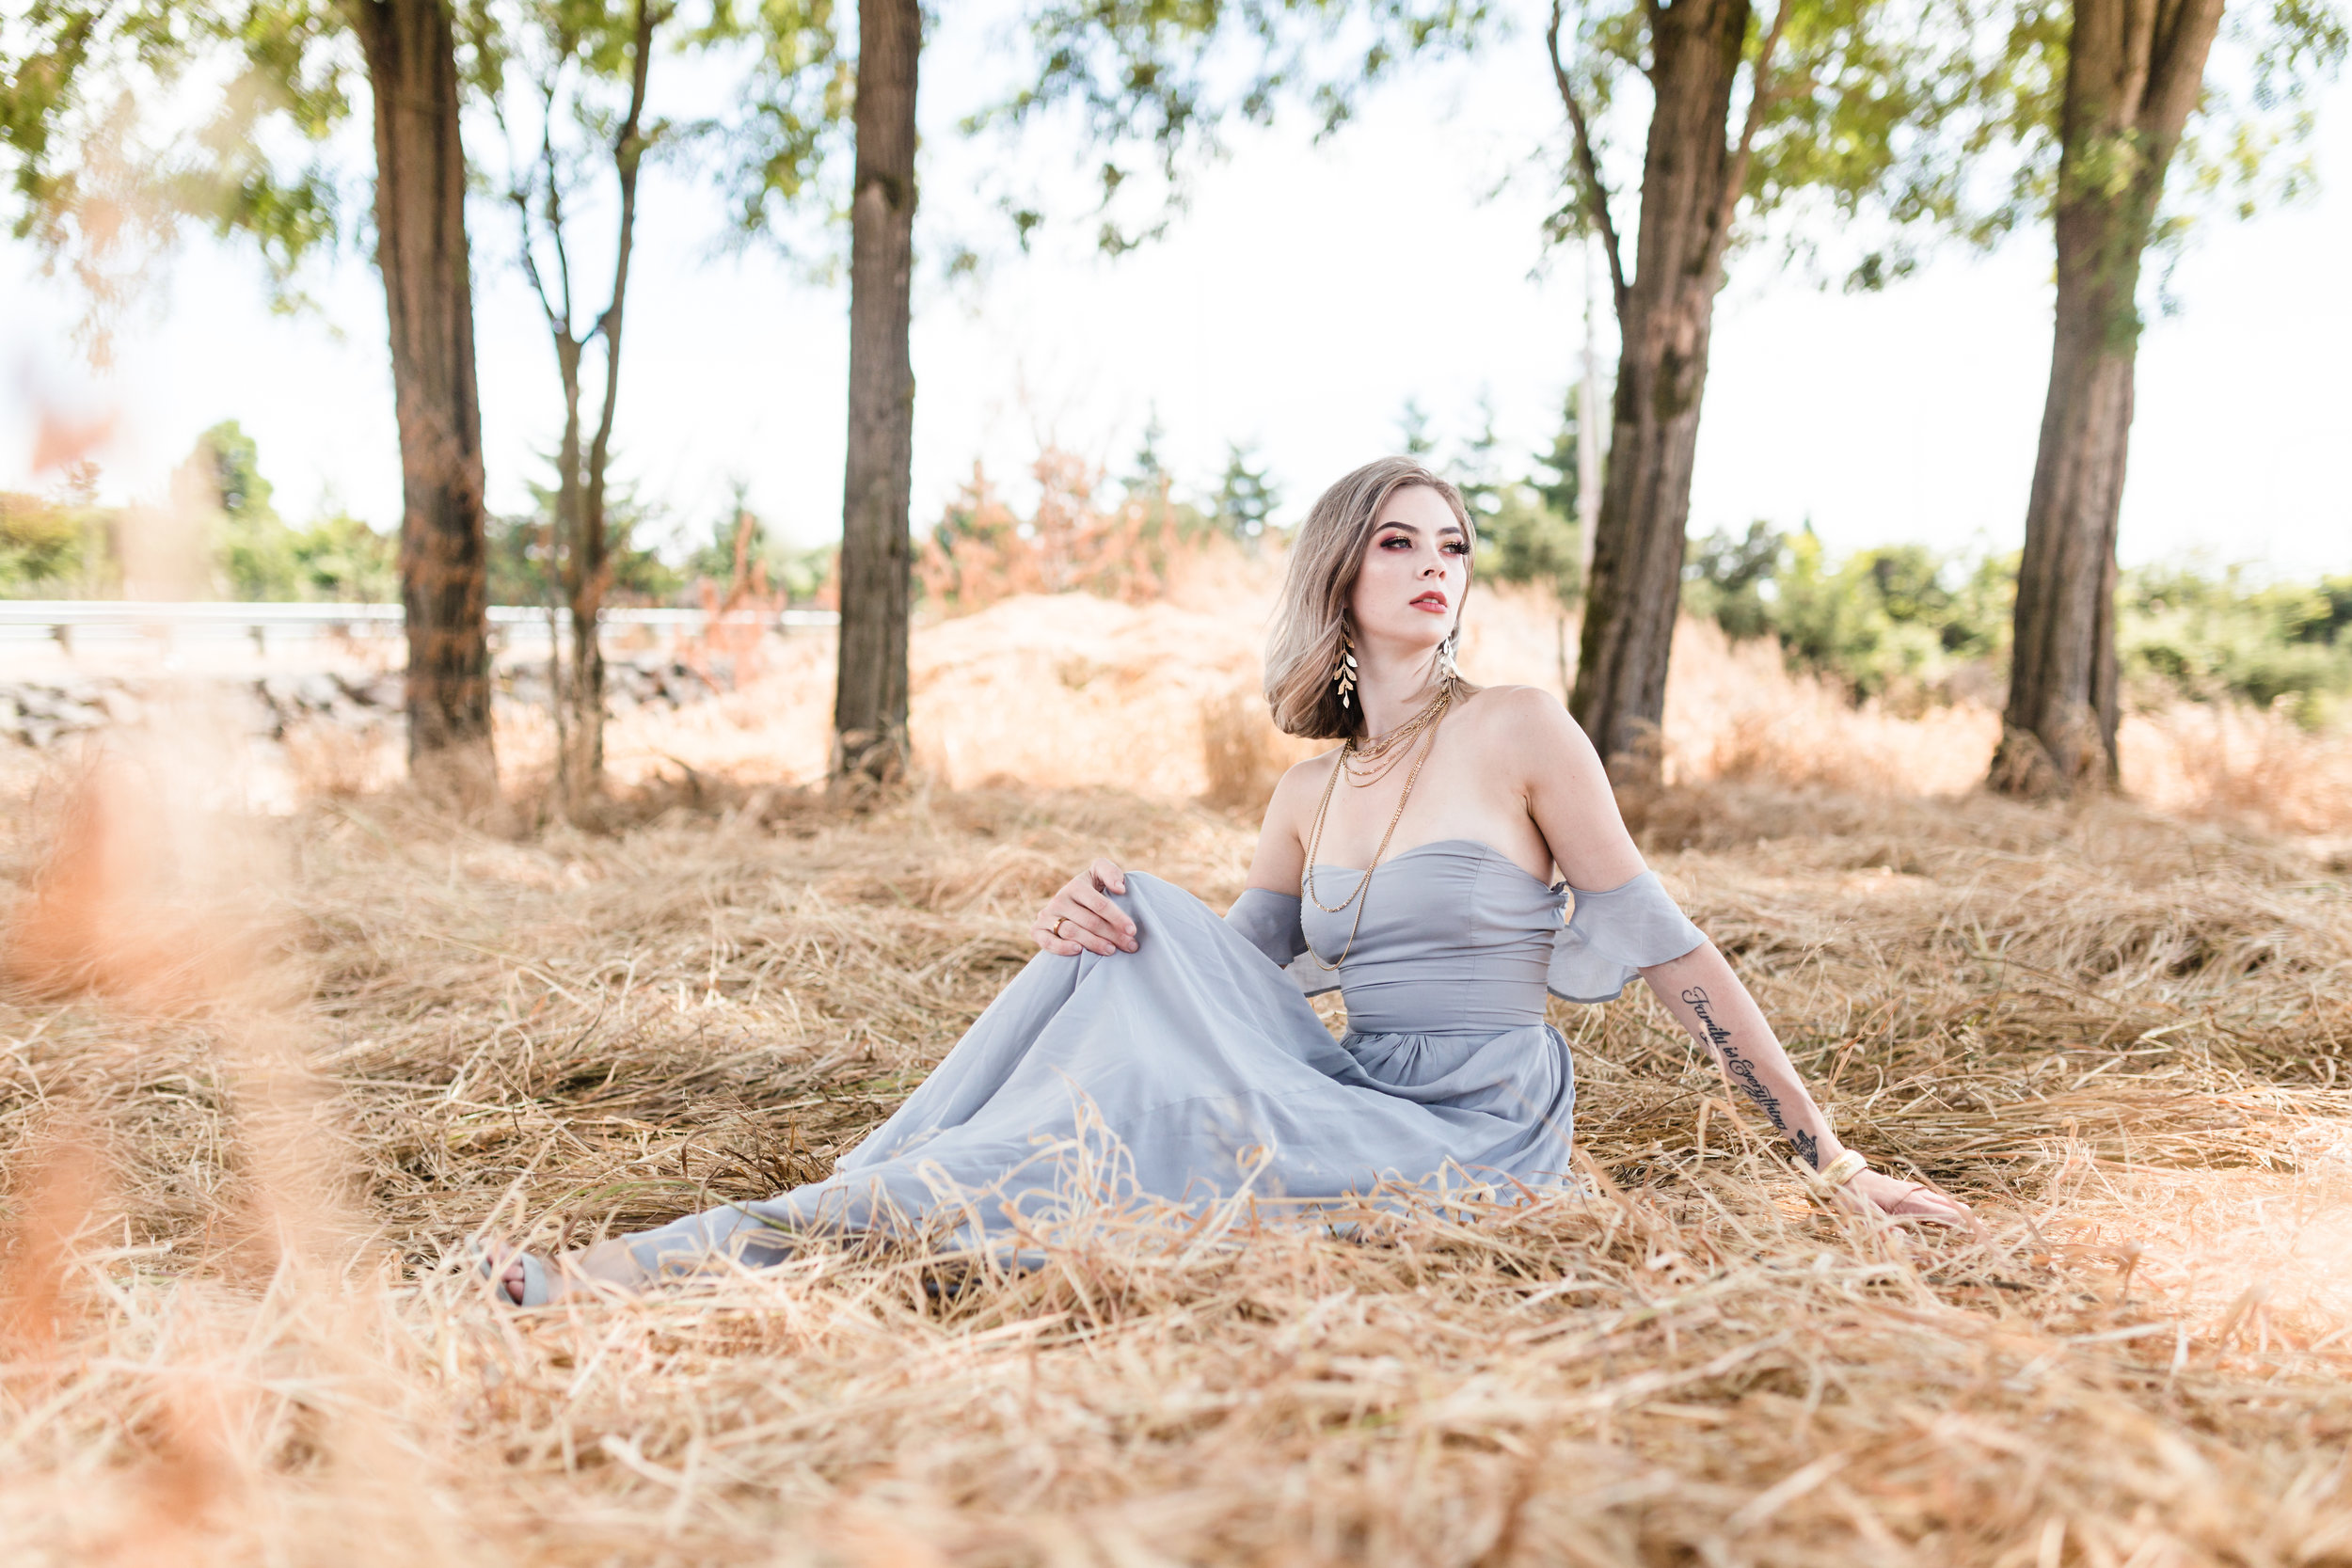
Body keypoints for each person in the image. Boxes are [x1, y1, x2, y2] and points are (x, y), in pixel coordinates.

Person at [486, 457, 1968, 1305]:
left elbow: (1667, 949)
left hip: (1476, 1126)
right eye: (1398, 542)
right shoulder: (1308, 788)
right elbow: (1219, 980)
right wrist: (1090, 927)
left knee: (1107, 1102)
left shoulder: (1522, 729)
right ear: (1341, 574)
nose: (1433, 565)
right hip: (1340, 1082)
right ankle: (752, 1239)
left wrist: (1828, 1166)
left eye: (1452, 544)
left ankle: (735, 1248)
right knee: (1112, 938)